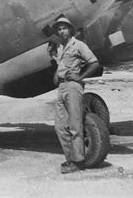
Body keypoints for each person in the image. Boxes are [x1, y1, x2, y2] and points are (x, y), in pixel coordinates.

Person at [48, 17, 100, 174]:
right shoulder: (59, 48)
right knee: (59, 125)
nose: (61, 31)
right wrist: (57, 75)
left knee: (75, 125)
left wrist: (81, 77)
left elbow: (94, 63)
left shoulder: (79, 45)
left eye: (64, 28)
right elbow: (58, 61)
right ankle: (71, 158)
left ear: (70, 29)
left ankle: (78, 162)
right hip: (62, 87)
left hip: (73, 86)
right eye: (58, 29)